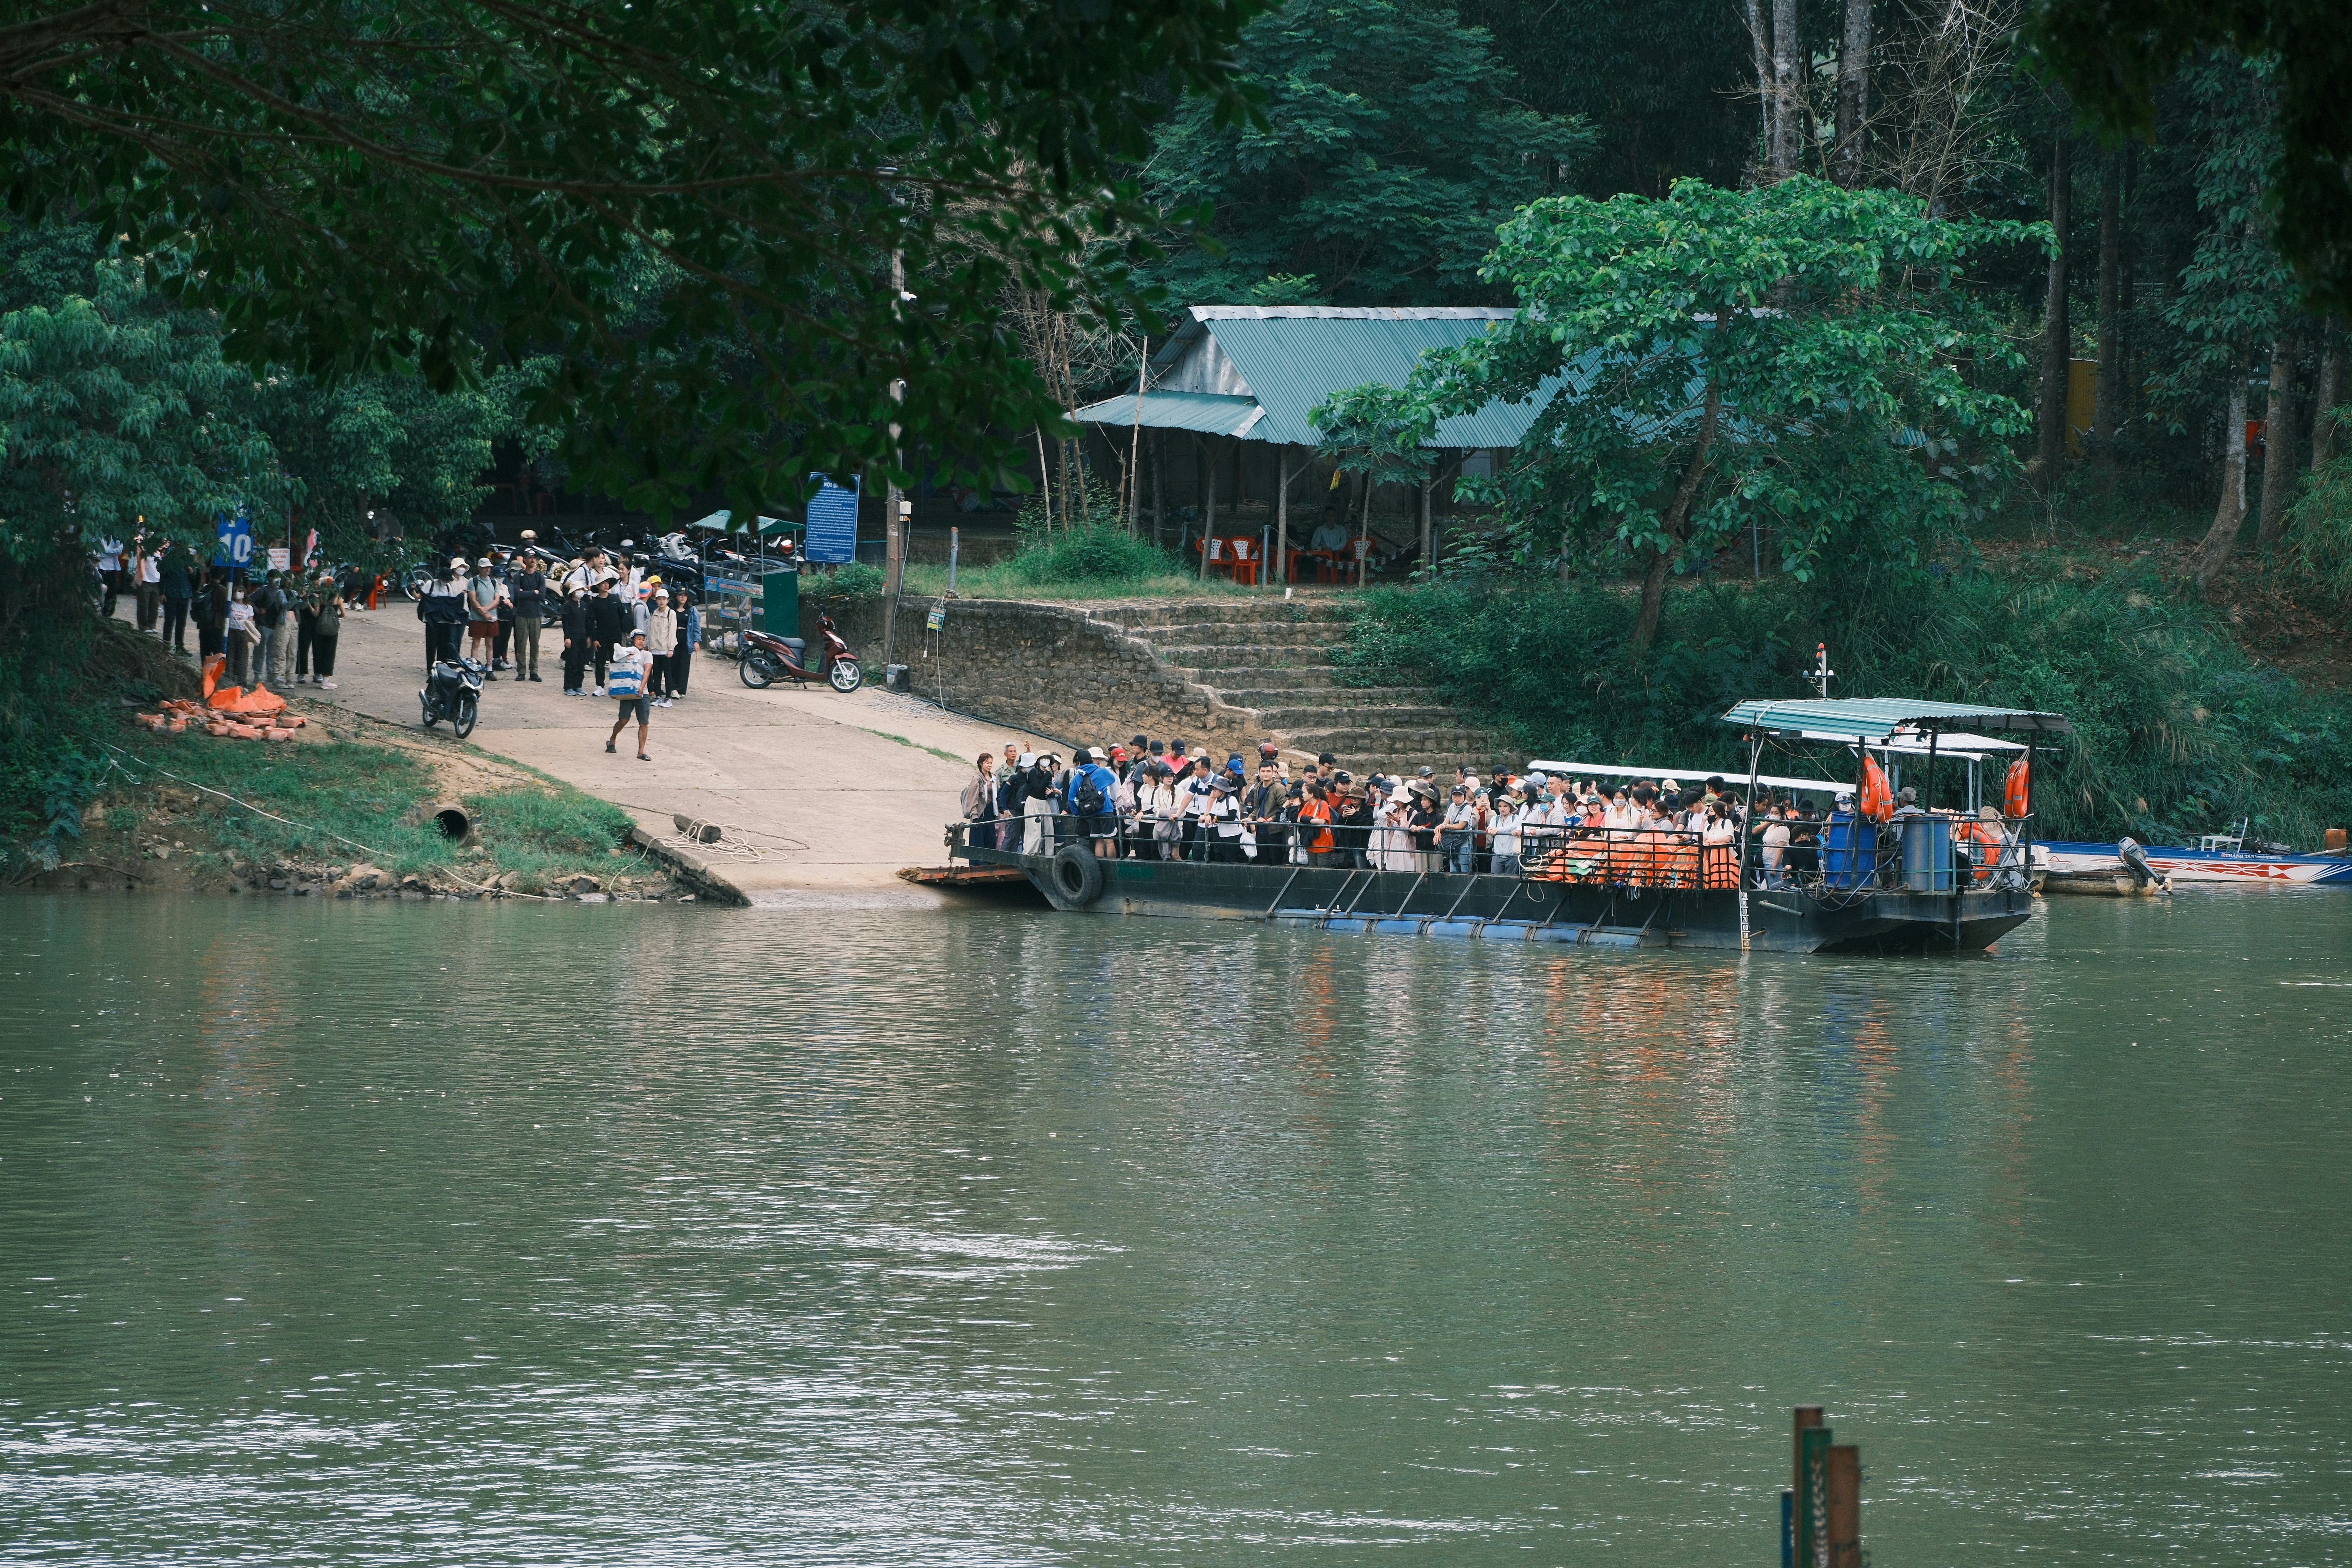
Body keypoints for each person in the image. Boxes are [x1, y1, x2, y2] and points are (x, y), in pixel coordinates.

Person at [604, 628, 654, 760]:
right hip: (628, 692)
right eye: (639, 639)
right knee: (624, 720)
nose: (641, 642)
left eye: (643, 639)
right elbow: (620, 672)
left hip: (643, 693)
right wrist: (615, 691)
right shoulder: (625, 654)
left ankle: (641, 752)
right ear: (632, 640)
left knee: (644, 723)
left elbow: (647, 672)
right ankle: (612, 739)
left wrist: (642, 687)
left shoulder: (647, 655)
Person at [1068, 746, 1121, 857]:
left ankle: (1100, 866)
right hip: (1106, 809)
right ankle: (1112, 864)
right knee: (1110, 841)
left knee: (1099, 841)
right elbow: (1112, 780)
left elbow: (1071, 799)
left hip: (1091, 812)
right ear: (1091, 760)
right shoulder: (1102, 771)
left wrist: (1077, 813)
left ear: (1080, 763)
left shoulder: (1077, 778)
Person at [419, 559, 468, 667]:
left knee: (443, 646)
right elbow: (421, 597)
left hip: (445, 621)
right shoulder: (430, 584)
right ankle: (430, 668)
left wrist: (461, 596)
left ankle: (441, 667)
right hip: (432, 620)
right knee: (431, 645)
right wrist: (414, 590)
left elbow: (452, 601)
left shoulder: (448, 587)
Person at [587, 576, 631, 693]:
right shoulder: (594, 603)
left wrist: (625, 632)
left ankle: (617, 686)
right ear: (598, 586)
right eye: (603, 583)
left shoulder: (615, 599)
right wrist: (594, 639)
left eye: (608, 583)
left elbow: (623, 616)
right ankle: (600, 687)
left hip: (616, 636)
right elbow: (591, 622)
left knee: (616, 661)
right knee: (601, 662)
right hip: (601, 637)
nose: (606, 585)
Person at [509, 552, 547, 682]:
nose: (533, 560)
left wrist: (525, 593)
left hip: (536, 614)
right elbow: (517, 595)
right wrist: (533, 593)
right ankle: (521, 671)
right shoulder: (520, 575)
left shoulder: (539, 576)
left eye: (534, 558)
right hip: (522, 614)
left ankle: (534, 671)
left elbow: (542, 595)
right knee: (521, 644)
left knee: (535, 645)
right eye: (530, 558)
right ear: (524, 559)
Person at [644, 588, 679, 706]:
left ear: (668, 601)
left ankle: (668, 698)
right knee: (657, 674)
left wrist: (671, 648)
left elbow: (672, 632)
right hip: (655, 649)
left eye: (664, 599)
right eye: (660, 600)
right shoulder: (654, 613)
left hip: (666, 649)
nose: (662, 602)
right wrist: (649, 646)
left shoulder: (671, 613)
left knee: (668, 673)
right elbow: (651, 631)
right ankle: (658, 696)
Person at [465, 557, 501, 669]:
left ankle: (490, 667)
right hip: (478, 619)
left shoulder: (494, 581)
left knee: (490, 644)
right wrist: (483, 613)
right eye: (485, 568)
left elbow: (497, 599)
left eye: (489, 568)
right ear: (479, 568)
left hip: (492, 618)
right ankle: (474, 667)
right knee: (476, 643)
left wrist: (486, 609)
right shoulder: (473, 581)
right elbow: (473, 600)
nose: (488, 570)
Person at [157, 544, 194, 654]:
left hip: (185, 593)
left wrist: (191, 571)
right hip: (172, 593)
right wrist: (162, 593)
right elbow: (163, 576)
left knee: (182, 622)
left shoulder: (187, 556)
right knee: (169, 621)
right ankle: (166, 645)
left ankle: (179, 646)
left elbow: (193, 576)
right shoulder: (170, 554)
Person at [308, 578, 342, 688]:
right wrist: (337, 618)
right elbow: (344, 613)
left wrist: (309, 605)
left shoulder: (320, 598)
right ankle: (326, 681)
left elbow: (315, 614)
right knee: (330, 653)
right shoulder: (338, 598)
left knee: (319, 652)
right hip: (333, 631)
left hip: (320, 629)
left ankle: (318, 675)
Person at [961, 752, 999, 846]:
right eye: (987, 763)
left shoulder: (994, 778)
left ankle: (989, 861)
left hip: (991, 812)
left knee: (990, 840)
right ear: (981, 764)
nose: (990, 765)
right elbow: (972, 799)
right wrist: (974, 816)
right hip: (980, 813)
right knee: (978, 840)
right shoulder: (977, 779)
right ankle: (977, 861)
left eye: (991, 763)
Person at [559, 588, 591, 695]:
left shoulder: (584, 605)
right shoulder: (568, 605)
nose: (581, 592)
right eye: (579, 590)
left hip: (583, 636)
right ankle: (569, 686)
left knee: (581, 662)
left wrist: (588, 637)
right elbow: (566, 623)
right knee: (572, 661)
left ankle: (578, 685)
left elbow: (587, 622)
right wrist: (567, 637)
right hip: (572, 636)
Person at [224, 586, 257, 688]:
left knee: (242, 658)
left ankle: (242, 682)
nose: (239, 593)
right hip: (232, 632)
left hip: (243, 633)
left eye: (241, 591)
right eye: (237, 592)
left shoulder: (249, 608)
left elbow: (250, 622)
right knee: (231, 656)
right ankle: (230, 680)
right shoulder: (231, 605)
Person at [668, 589, 697, 700]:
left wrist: (697, 641)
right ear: (677, 597)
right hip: (674, 637)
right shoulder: (672, 610)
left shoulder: (691, 610)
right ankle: (673, 688)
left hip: (686, 638)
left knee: (684, 664)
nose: (683, 598)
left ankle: (681, 689)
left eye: (685, 596)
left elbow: (696, 626)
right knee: (673, 663)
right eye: (681, 595)